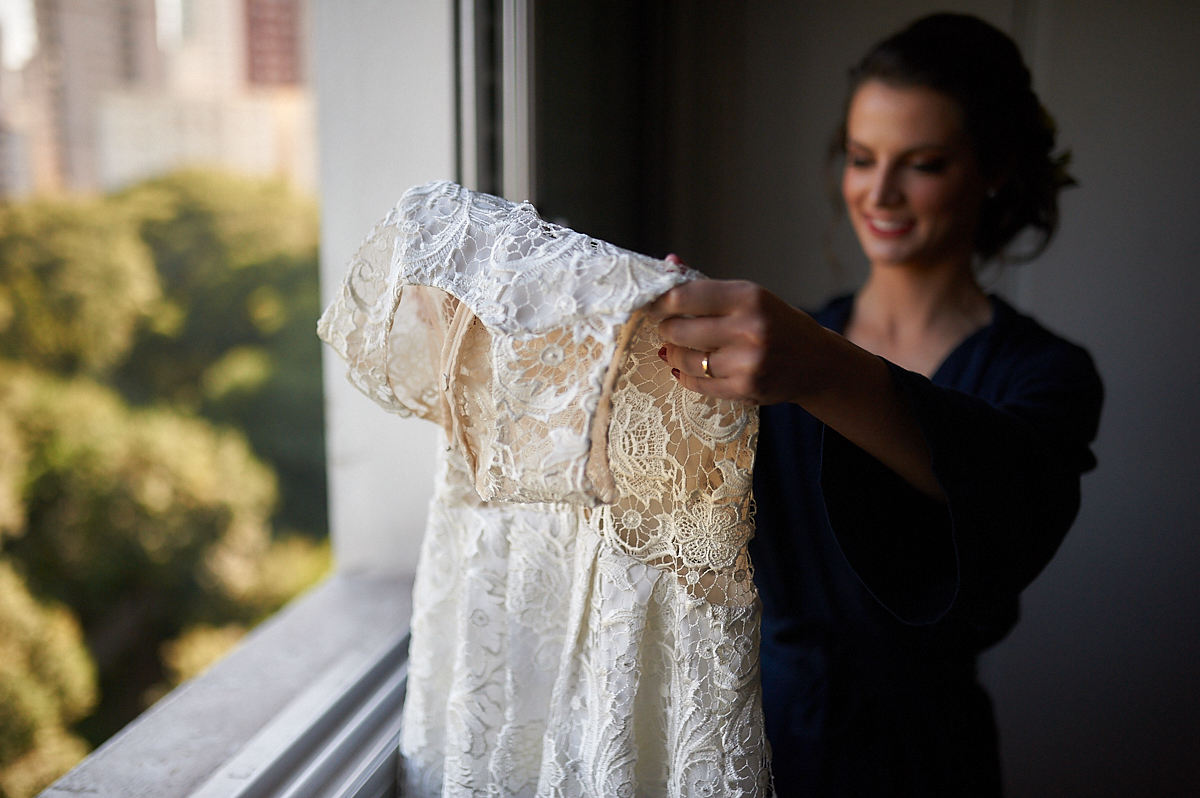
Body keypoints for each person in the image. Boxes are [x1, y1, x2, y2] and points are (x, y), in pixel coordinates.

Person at [650, 13, 1103, 797]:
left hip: (923, 755)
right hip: (759, 732)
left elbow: (1011, 493)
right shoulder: (773, 350)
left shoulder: (1044, 374)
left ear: (994, 167)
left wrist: (821, 369)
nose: (880, 193)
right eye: (862, 159)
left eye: (922, 164)